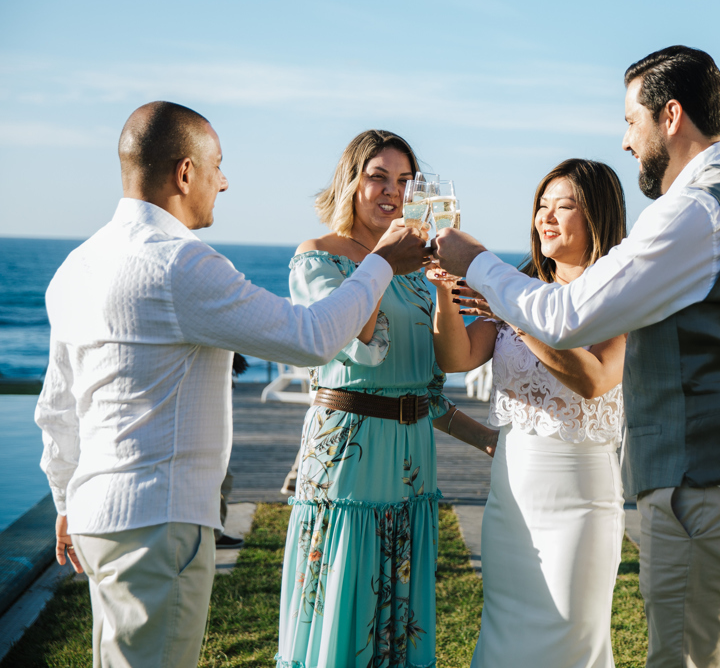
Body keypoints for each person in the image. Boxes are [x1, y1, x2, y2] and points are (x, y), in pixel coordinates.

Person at [438, 46, 720, 668]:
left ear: (670, 117)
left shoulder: (694, 210)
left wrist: (475, 265)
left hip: (708, 483)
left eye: (630, 122)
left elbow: (566, 320)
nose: (625, 141)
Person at [36, 102, 431, 668]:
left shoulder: (76, 265)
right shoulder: (182, 265)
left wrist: (65, 499)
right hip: (159, 523)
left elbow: (57, 407)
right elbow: (311, 337)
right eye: (216, 166)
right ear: (185, 173)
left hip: (95, 516)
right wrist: (383, 264)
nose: (224, 181)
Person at [276, 129, 497, 668]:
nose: (391, 192)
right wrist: (382, 258)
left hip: (412, 464)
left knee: (399, 617)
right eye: (378, 177)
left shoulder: (423, 275)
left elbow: (428, 390)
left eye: (404, 181)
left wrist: (493, 442)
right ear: (350, 182)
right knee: (345, 605)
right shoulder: (319, 259)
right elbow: (354, 339)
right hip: (347, 460)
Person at [431, 159, 628, 668]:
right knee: (505, 637)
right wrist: (442, 292)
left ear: (598, 217)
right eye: (542, 205)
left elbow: (594, 379)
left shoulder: (616, 292)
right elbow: (457, 359)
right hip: (512, 492)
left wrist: (513, 314)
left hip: (580, 496)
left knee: (570, 636)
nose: (547, 217)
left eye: (564, 206)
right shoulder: (516, 286)